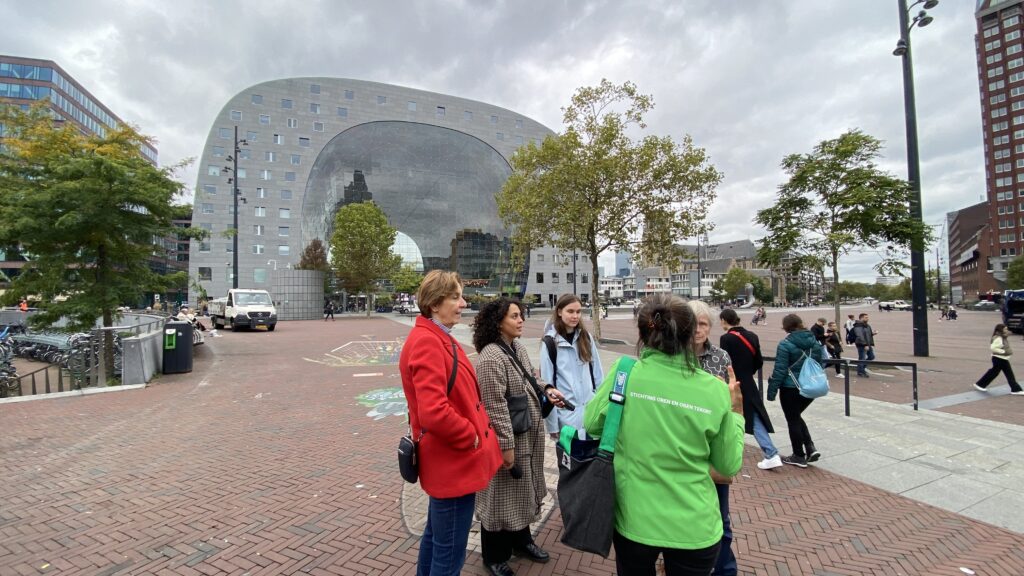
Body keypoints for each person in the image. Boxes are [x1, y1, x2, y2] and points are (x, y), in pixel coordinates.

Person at [584, 294, 744, 576]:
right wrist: (736, 413)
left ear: (643, 333)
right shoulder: (715, 389)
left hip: (635, 519)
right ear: (688, 334)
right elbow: (728, 464)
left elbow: (593, 424)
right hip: (694, 525)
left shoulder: (624, 374)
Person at [399, 270, 502, 576]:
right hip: (454, 463)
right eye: (455, 297)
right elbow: (433, 411)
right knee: (449, 553)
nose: (462, 303)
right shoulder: (428, 342)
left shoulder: (434, 337)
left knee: (436, 540)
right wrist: (469, 436)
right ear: (434, 304)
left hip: (448, 462)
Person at [471, 298, 568, 576]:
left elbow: (529, 380)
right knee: (499, 498)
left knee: (522, 493)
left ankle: (522, 541)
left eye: (521, 315)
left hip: (526, 438)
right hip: (508, 442)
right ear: (498, 321)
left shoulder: (517, 348)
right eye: (514, 316)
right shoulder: (490, 357)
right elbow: (494, 406)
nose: (521, 320)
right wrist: (506, 448)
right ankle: (494, 556)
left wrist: (547, 388)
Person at [687, 300, 737, 576]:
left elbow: (731, 401)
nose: (697, 329)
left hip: (712, 446)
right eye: (692, 323)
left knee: (722, 516)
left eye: (703, 323)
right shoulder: (673, 356)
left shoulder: (720, 357)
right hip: (684, 446)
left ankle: (724, 570)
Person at [719, 308, 781, 470]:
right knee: (751, 414)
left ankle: (771, 452)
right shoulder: (752, 336)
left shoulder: (726, 339)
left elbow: (726, 362)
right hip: (748, 380)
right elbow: (758, 361)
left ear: (724, 320)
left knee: (749, 417)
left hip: (734, 382)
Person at [540, 294, 604, 440]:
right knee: (570, 461)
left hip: (590, 416)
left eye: (578, 312)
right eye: (570, 311)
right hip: (566, 419)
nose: (575, 316)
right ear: (559, 312)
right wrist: (553, 426)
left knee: (593, 461)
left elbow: (598, 376)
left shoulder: (586, 338)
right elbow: (548, 387)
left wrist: (600, 410)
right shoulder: (550, 343)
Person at [766, 314, 823, 468]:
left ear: (786, 327)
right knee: (796, 416)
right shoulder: (814, 342)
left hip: (790, 387)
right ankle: (810, 448)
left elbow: (780, 369)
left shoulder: (785, 344)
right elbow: (820, 363)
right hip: (810, 386)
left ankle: (798, 455)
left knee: (792, 420)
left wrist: (771, 392)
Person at [974, 324, 1024, 395]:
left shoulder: (1002, 337)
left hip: (1001, 358)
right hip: (999, 358)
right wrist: (1003, 352)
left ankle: (980, 384)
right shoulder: (998, 338)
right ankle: (1016, 389)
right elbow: (993, 348)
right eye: (1005, 329)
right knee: (1008, 374)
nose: (1006, 330)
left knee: (994, 372)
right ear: (1001, 330)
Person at [852, 313, 877, 378]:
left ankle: (861, 368)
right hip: (862, 344)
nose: (867, 318)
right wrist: (865, 344)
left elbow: (867, 335)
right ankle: (860, 372)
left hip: (868, 344)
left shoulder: (867, 325)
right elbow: (860, 336)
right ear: (861, 318)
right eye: (866, 317)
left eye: (867, 317)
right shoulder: (858, 326)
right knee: (862, 358)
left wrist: (872, 334)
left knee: (871, 356)